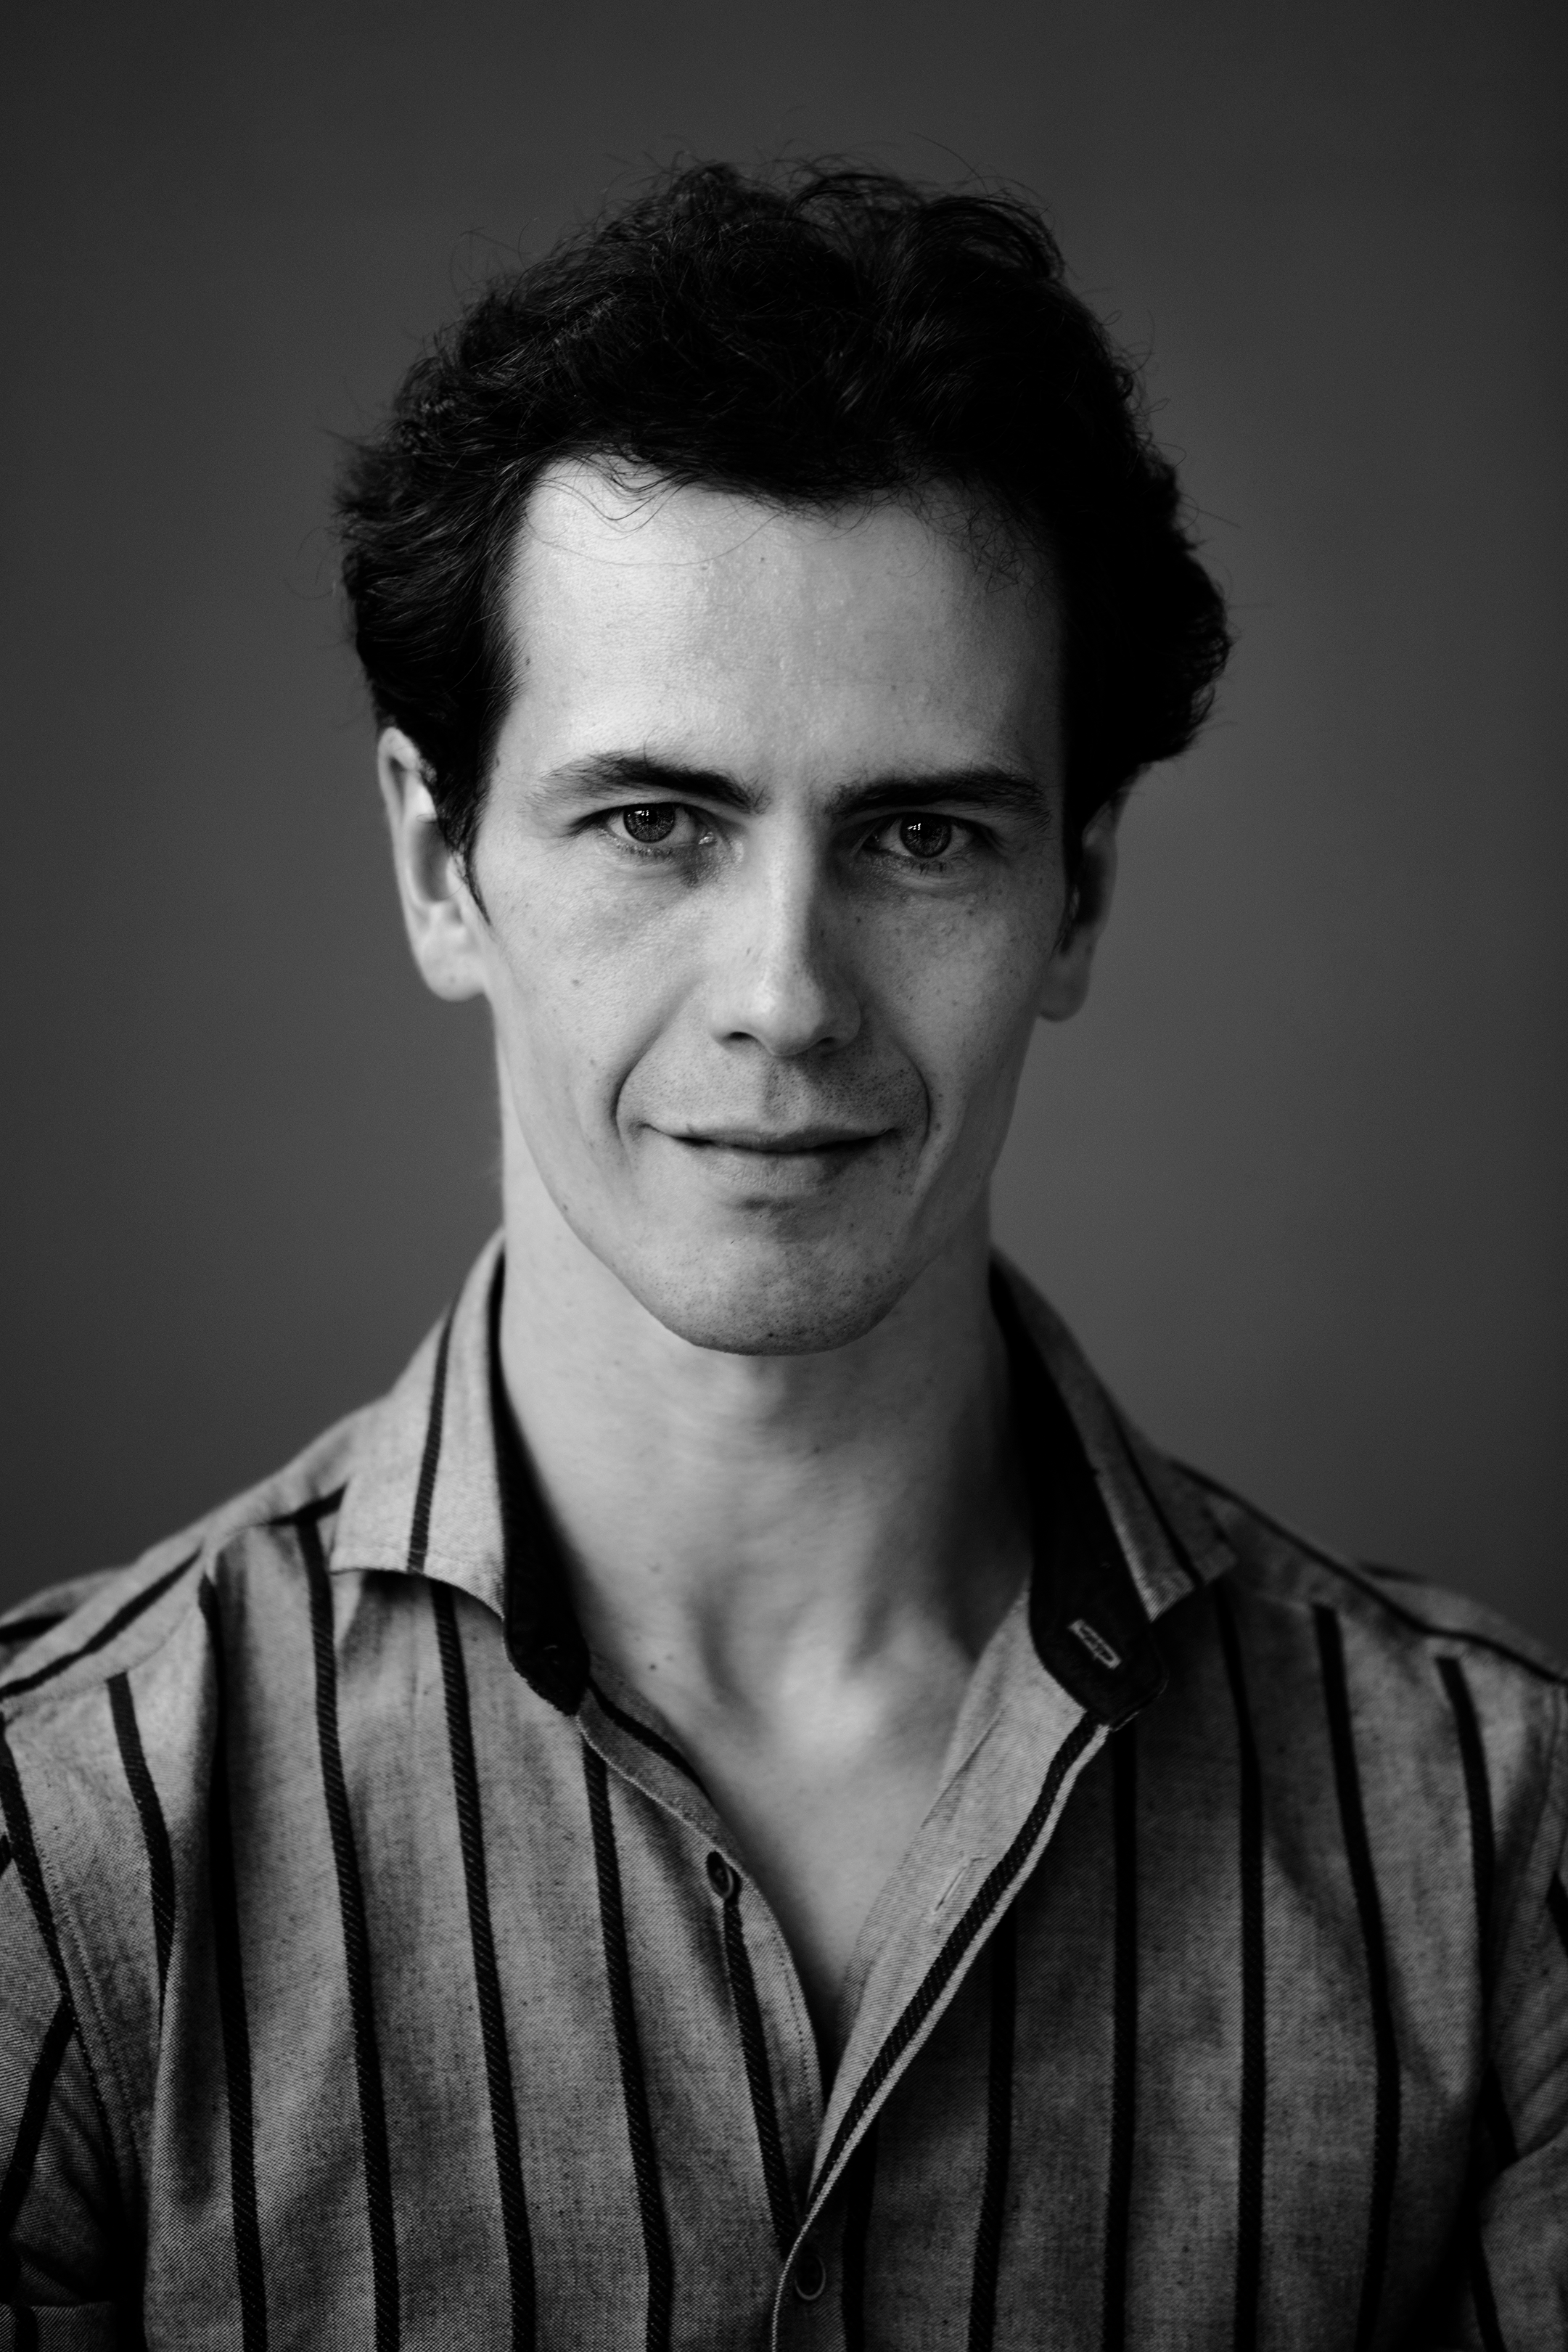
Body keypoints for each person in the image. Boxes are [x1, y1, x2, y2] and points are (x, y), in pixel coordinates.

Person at [0, 161, 1561, 2352]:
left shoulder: (1493, 1838)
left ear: (1082, 896)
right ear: (440, 865)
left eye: (921, 836)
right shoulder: (56, 1841)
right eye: (656, 821)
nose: (785, 997)